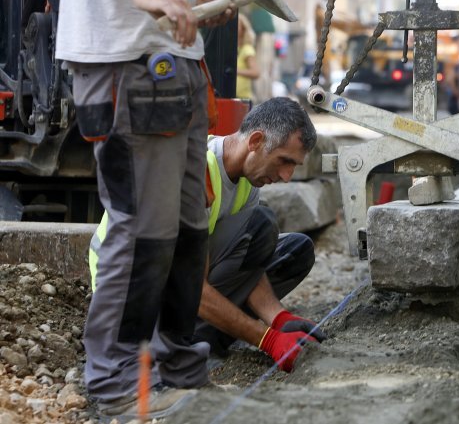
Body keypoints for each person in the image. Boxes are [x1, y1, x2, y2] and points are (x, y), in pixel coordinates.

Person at [56, 0, 237, 419]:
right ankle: (117, 386)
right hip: (127, 58)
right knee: (143, 234)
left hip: (172, 59)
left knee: (185, 232)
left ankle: (178, 372)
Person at [90, 98, 324, 379]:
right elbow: (195, 290)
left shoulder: (246, 182)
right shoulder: (193, 176)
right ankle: (180, 343)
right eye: (285, 161)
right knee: (262, 224)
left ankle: (199, 337)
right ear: (256, 141)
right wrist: (267, 340)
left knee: (288, 245)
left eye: (294, 165)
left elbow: (246, 264)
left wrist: (279, 318)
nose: (287, 176)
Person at [236, 14, 260, 101]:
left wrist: (236, 71)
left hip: (243, 99)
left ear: (243, 29)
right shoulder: (234, 49)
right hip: (234, 97)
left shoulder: (247, 49)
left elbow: (255, 73)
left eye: (237, 25)